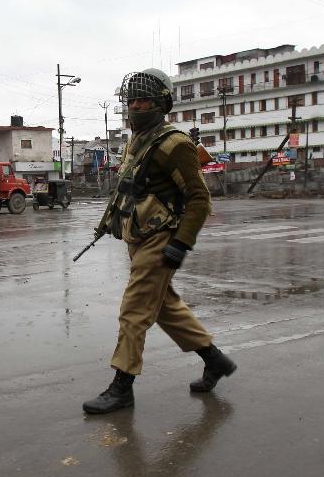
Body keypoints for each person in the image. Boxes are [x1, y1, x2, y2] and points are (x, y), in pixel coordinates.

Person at [82, 68, 237, 415]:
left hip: (161, 238)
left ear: (161, 103)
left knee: (134, 310)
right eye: (131, 100)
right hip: (139, 238)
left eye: (144, 99)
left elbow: (199, 200)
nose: (136, 106)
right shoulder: (137, 141)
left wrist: (180, 244)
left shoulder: (174, 143)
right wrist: (110, 223)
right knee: (165, 307)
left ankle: (122, 387)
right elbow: (129, 191)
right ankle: (215, 360)